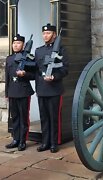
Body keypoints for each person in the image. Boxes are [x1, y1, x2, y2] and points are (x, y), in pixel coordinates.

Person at [34, 23, 69, 153]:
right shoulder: (38, 51)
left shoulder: (61, 50)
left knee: (54, 117)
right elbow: (36, 70)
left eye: (48, 33)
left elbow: (65, 69)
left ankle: (54, 143)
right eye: (44, 33)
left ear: (54, 35)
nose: (45, 35)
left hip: (54, 89)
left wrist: (54, 77)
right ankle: (45, 142)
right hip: (42, 89)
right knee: (44, 117)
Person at [5, 34, 35, 151]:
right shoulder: (9, 58)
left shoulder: (28, 58)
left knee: (23, 117)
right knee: (15, 117)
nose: (15, 45)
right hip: (12, 91)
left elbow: (33, 75)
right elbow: (7, 77)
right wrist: (7, 93)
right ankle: (15, 139)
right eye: (14, 43)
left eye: (18, 43)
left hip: (23, 91)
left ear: (23, 45)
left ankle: (23, 141)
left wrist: (25, 74)